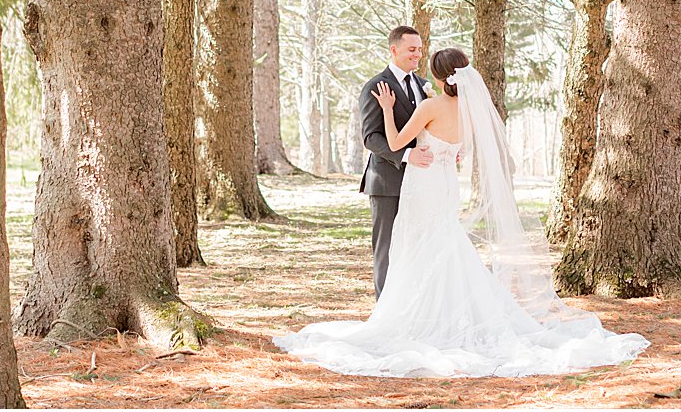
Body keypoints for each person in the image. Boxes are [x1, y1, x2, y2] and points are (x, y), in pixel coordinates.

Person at [273, 47, 648, 378]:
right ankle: (449, 311)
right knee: (445, 241)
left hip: (423, 184)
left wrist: (389, 110)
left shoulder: (430, 105)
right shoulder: (468, 109)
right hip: (445, 184)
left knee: (419, 244)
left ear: (438, 77)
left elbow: (397, 141)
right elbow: (458, 149)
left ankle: (418, 316)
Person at [356, 25, 436, 298]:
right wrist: (406, 155)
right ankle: (384, 310)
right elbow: (370, 138)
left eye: (420, 50)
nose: (417, 55)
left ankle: (409, 307)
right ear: (394, 49)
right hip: (386, 182)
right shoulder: (375, 86)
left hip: (420, 181)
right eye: (412, 49)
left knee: (415, 245)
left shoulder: (423, 85)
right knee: (387, 248)